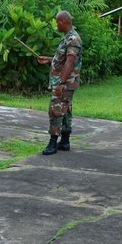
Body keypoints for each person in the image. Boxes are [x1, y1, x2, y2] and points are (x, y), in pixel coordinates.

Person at [37, 11, 82, 156]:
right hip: (66, 82)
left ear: (63, 22)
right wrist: (49, 59)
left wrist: (61, 82)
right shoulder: (68, 38)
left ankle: (53, 143)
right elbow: (63, 59)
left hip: (65, 83)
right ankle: (65, 141)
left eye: (57, 22)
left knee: (56, 110)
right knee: (65, 110)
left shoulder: (73, 39)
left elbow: (70, 61)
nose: (56, 25)